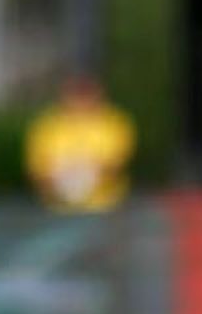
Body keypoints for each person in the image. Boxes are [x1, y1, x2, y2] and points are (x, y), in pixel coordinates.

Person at [24, 76, 135, 213]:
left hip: (105, 207)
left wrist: (82, 179)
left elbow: (116, 164)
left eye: (85, 92)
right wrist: (60, 183)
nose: (80, 100)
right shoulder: (46, 126)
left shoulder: (114, 123)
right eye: (75, 93)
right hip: (58, 209)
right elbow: (36, 170)